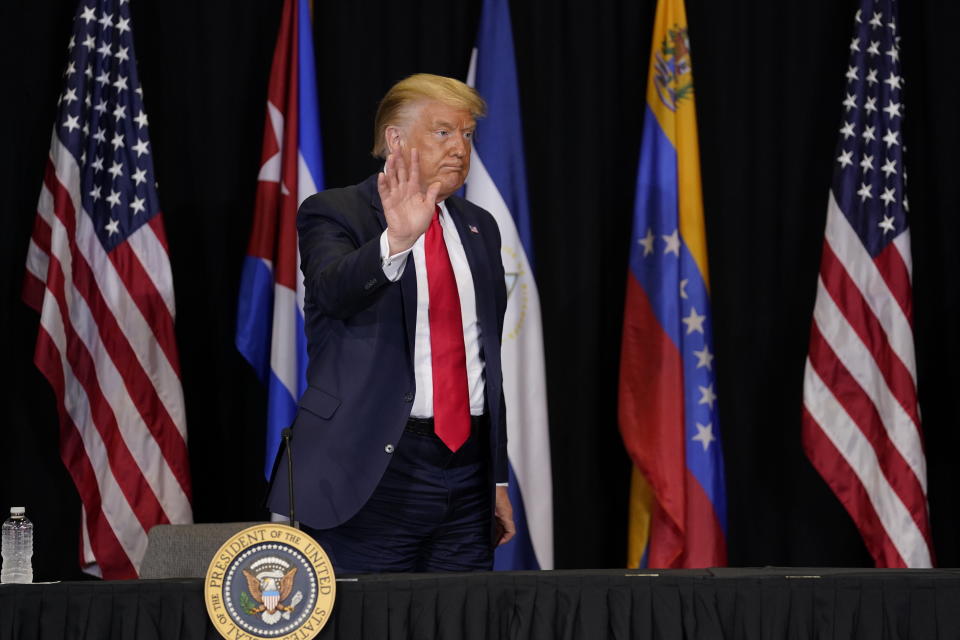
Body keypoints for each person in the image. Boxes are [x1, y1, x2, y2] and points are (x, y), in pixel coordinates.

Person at [266, 73, 515, 572]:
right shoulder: (335, 212)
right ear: (395, 139)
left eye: (467, 135)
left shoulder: (478, 227)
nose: (460, 148)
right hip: (369, 470)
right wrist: (395, 243)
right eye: (443, 132)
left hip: (465, 476)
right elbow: (333, 292)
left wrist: (496, 479)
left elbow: (485, 360)